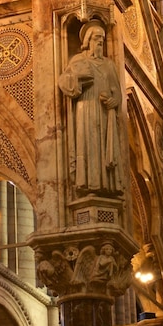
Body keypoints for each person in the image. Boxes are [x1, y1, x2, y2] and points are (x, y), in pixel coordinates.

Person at [58, 21, 122, 196]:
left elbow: (117, 91)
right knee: (87, 145)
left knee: (102, 146)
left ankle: (105, 186)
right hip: (84, 109)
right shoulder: (79, 60)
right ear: (88, 41)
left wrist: (113, 101)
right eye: (97, 38)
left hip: (103, 112)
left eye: (102, 39)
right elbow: (64, 82)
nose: (100, 42)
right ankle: (87, 184)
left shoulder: (109, 65)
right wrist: (78, 78)